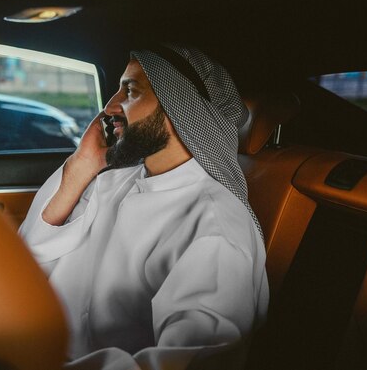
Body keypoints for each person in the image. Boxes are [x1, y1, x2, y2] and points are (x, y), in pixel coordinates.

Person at [19, 45, 269, 370]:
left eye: (131, 91)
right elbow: (30, 259)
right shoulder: (114, 181)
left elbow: (193, 359)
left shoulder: (212, 224)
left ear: (180, 107)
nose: (109, 107)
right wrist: (81, 165)